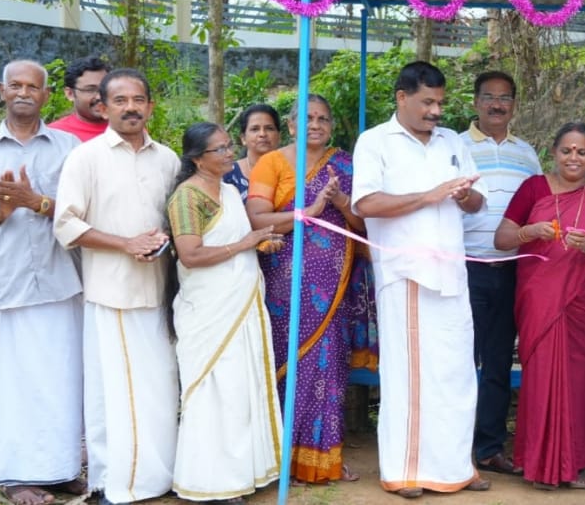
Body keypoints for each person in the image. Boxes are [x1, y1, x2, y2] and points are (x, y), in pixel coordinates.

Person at [351, 61, 491, 498]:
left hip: (451, 273)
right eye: (428, 102)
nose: (436, 111)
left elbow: (478, 203)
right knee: (411, 376)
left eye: (440, 103)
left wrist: (465, 196)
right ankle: (406, 471)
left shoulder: (452, 141)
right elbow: (366, 204)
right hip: (406, 273)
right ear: (402, 97)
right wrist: (427, 196)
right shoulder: (375, 141)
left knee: (456, 373)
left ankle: (456, 467)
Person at [0, 60, 84, 505]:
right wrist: (2, 213)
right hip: (8, 285)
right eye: (16, 85)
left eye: (33, 86)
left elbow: (84, 211)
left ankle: (61, 469)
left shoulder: (69, 148)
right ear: (2, 91)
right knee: (13, 383)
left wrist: (36, 202)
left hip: (61, 279)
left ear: (46, 95)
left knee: (62, 379)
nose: (24, 92)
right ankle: (15, 476)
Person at [54, 68, 181, 504]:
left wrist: (162, 241)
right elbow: (66, 224)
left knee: (160, 388)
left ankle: (159, 477)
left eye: (138, 100)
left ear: (151, 106)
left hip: (159, 291)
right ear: (103, 107)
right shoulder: (85, 158)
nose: (131, 108)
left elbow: (176, 220)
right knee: (114, 393)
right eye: (120, 101)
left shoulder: (168, 159)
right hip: (112, 293)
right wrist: (125, 244)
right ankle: (116, 483)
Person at [245, 94, 374, 484]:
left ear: (331, 126)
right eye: (307, 118)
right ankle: (278, 459)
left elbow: (364, 224)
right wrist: (310, 211)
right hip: (284, 280)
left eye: (323, 119)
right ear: (291, 125)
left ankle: (320, 458)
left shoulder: (345, 165)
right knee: (286, 360)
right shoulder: (272, 162)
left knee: (328, 363)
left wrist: (342, 201)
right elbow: (257, 218)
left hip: (334, 282)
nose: (315, 125)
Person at [495, 122, 585, 491]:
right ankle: (539, 465)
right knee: (540, 378)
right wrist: (529, 232)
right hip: (540, 299)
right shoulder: (534, 188)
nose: (573, 158)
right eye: (566, 150)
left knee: (584, 383)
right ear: (553, 152)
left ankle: (573, 463)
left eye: (582, 152)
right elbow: (501, 238)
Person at [167, 122, 285, 502]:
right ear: (197, 158)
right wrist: (245, 243)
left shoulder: (231, 192)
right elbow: (191, 255)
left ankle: (245, 471)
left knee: (241, 389)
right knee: (214, 391)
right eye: (219, 149)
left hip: (241, 302)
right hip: (209, 309)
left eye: (229, 145)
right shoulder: (186, 198)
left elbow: (238, 242)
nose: (229, 152)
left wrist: (259, 245)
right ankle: (211, 481)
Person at [459, 70, 542, 476]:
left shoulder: (527, 153)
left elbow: (538, 205)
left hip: (511, 271)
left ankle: (489, 448)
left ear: (514, 105)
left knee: (496, 363)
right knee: (459, 361)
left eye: (505, 98)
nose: (496, 104)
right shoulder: (453, 146)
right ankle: (454, 450)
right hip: (463, 268)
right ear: (475, 101)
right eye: (489, 97)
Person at [223, 103, 282, 200]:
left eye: (269, 128)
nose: (262, 134)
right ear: (243, 138)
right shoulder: (228, 173)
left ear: (279, 136)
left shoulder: (293, 171)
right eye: (255, 129)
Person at [48, 56, 110, 141]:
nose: (99, 96)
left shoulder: (126, 128)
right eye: (90, 90)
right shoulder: (55, 135)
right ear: (70, 94)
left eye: (104, 88)